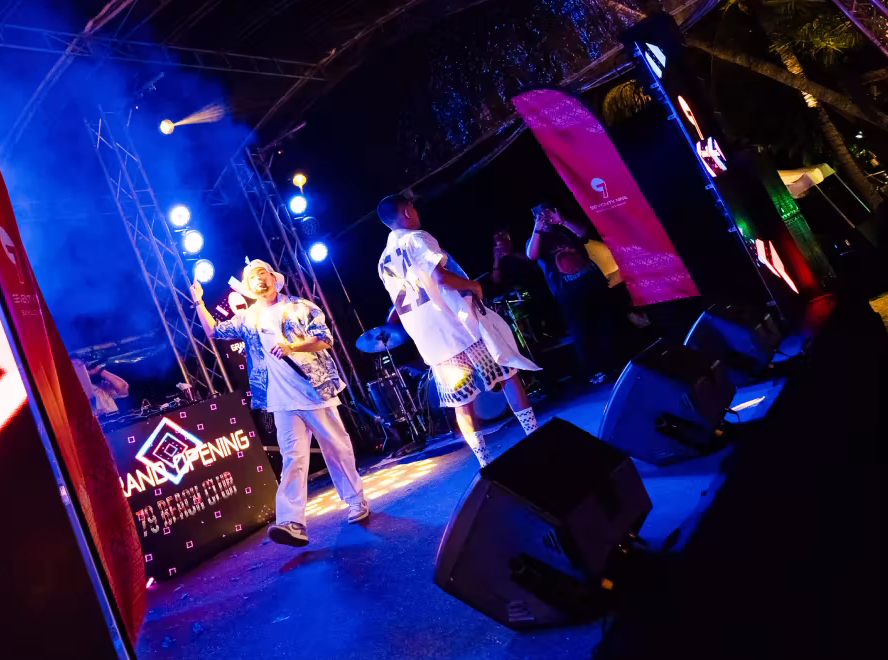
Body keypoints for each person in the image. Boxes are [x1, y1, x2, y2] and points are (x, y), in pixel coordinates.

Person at [189, 260, 368, 547]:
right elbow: (215, 331)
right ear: (248, 287)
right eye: (252, 276)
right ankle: (291, 522)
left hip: (313, 389)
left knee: (337, 449)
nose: (259, 278)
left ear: (274, 278)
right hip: (279, 399)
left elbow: (325, 339)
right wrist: (198, 301)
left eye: (263, 273)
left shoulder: (299, 306)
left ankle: (356, 501)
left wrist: (291, 347)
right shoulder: (249, 317)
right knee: (293, 458)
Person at [377, 194, 542, 466]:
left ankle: (484, 460)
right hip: (458, 326)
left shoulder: (383, 261)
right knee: (507, 372)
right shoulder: (416, 238)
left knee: (461, 401)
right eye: (413, 207)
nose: (417, 212)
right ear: (406, 212)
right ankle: (534, 434)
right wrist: (472, 286)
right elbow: (440, 277)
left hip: (433, 342)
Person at [524, 202, 621, 384]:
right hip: (568, 293)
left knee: (606, 325)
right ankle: (593, 371)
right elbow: (532, 255)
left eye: (547, 213)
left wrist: (562, 221)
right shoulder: (536, 238)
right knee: (583, 332)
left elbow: (583, 233)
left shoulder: (565, 229)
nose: (545, 218)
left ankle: (613, 365)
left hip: (592, 282)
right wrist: (537, 230)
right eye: (540, 215)